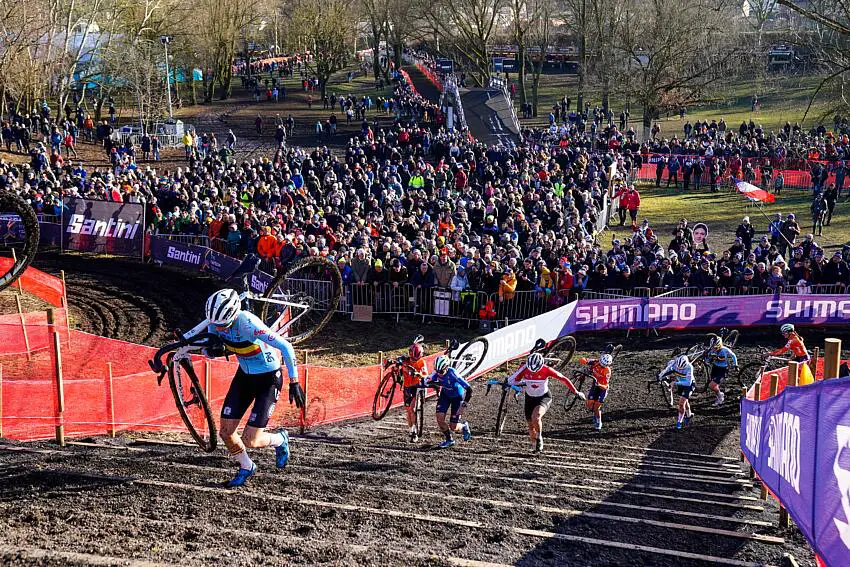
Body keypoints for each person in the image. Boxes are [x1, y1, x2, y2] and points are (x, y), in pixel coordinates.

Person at [184, 289, 305, 488]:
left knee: (251, 440)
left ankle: (279, 439)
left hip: (268, 379)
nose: (218, 328)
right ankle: (247, 466)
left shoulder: (248, 323)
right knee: (226, 432)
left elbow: (286, 347)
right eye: (215, 324)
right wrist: (211, 351)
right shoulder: (216, 322)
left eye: (223, 325)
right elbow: (209, 350)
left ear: (233, 316)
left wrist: (294, 381)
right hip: (245, 377)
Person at [507, 351, 586, 453]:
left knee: (536, 417)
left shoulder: (547, 369)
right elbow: (515, 381)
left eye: (536, 370)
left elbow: (563, 379)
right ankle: (535, 447)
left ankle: (539, 437)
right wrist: (518, 388)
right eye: (531, 370)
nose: (533, 373)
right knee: (531, 426)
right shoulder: (524, 368)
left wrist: (576, 392)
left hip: (543, 397)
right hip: (529, 398)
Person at [427, 355, 473, 448]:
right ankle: (449, 440)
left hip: (457, 397)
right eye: (437, 371)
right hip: (445, 395)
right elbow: (427, 381)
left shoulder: (453, 373)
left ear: (446, 368)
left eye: (441, 371)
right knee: (439, 419)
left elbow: (469, 390)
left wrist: (464, 405)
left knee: (453, 427)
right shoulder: (436, 372)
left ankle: (464, 426)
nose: (439, 374)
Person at [402, 338, 428, 442]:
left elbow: (425, 374)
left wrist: (418, 374)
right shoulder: (405, 360)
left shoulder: (422, 362)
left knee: (412, 409)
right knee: (408, 410)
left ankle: (415, 432)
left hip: (417, 386)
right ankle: (411, 430)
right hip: (407, 386)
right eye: (412, 358)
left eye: (416, 359)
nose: (413, 361)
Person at [658, 354, 695, 430]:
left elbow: (688, 383)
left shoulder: (689, 367)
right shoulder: (672, 362)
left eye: (681, 368)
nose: (679, 369)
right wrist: (660, 376)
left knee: (681, 403)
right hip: (680, 383)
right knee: (685, 401)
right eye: (677, 367)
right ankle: (689, 415)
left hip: (688, 385)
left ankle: (679, 421)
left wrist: (675, 383)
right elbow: (666, 371)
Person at [579, 352, 613, 430]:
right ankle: (595, 414)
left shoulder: (607, 371)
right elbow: (583, 359)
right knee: (589, 406)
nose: (600, 365)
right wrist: (584, 361)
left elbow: (605, 386)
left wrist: (599, 384)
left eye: (602, 365)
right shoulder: (595, 362)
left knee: (596, 408)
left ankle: (598, 421)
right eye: (600, 363)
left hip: (602, 389)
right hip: (595, 386)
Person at [702, 334, 738, 407]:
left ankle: (720, 398)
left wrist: (736, 365)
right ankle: (719, 395)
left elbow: (733, 355)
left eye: (716, 347)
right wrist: (705, 357)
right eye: (713, 347)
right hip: (715, 368)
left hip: (723, 370)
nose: (714, 349)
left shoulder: (725, 350)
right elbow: (707, 361)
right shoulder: (711, 350)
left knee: (712, 386)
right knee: (714, 386)